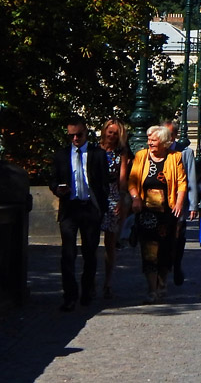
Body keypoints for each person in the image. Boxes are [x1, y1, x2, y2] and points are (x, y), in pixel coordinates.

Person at [49, 114, 109, 311]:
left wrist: (101, 206)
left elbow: (104, 182)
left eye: (79, 135)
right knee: (68, 253)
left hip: (90, 208)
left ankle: (87, 291)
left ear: (86, 133)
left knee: (90, 252)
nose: (75, 138)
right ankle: (70, 295)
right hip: (70, 208)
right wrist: (58, 189)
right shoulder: (61, 155)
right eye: (71, 135)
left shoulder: (97, 154)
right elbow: (53, 180)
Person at [128, 125, 187, 302]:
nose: (149, 143)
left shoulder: (175, 157)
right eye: (149, 140)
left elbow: (182, 183)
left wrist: (179, 203)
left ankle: (162, 282)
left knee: (166, 251)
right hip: (146, 213)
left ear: (164, 142)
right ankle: (152, 289)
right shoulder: (141, 156)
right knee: (149, 252)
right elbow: (132, 181)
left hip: (167, 213)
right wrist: (135, 198)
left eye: (153, 140)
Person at [97, 118, 131, 298]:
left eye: (115, 133)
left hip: (112, 193)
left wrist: (121, 198)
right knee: (90, 240)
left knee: (110, 243)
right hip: (96, 194)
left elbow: (122, 178)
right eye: (109, 132)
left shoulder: (121, 153)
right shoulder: (95, 150)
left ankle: (107, 282)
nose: (111, 136)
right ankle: (90, 279)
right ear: (104, 131)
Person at [165, 121, 199, 286]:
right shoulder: (156, 150)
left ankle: (176, 264)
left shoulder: (185, 152)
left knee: (178, 235)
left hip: (180, 201)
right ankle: (165, 264)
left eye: (170, 134)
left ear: (175, 136)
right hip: (160, 201)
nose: (166, 138)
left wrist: (193, 205)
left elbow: (191, 178)